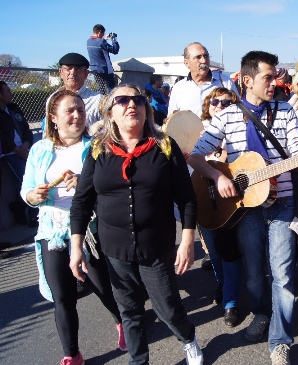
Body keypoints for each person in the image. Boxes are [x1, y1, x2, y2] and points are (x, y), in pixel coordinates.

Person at [188, 51, 298, 365]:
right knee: (253, 275)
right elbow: (196, 157)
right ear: (247, 80)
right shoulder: (226, 115)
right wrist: (215, 176)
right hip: (245, 208)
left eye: (276, 76)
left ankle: (280, 341)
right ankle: (262, 312)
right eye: (268, 77)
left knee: (283, 276)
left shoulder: (285, 111)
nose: (274, 82)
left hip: (283, 203)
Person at [69, 84, 203, 365]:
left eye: (138, 100)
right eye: (123, 100)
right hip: (115, 250)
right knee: (129, 310)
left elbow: (187, 199)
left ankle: (188, 339)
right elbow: (82, 201)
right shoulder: (98, 149)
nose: (132, 104)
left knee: (167, 308)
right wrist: (76, 246)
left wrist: (188, 241)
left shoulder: (164, 146)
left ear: (146, 109)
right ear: (110, 113)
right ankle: (138, 360)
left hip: (156, 247)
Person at [21, 90, 125, 365]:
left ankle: (122, 322)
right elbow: (27, 192)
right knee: (62, 297)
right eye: (70, 111)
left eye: (80, 109)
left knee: (104, 287)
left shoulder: (95, 147)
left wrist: (84, 181)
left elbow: (111, 188)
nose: (77, 115)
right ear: (53, 118)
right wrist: (35, 196)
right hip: (52, 231)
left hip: (89, 228)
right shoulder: (39, 150)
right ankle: (72, 354)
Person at [197, 87, 243, 326]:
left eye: (227, 103)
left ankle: (231, 302)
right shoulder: (196, 132)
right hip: (202, 197)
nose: (220, 106)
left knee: (229, 250)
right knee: (214, 251)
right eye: (216, 102)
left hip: (232, 200)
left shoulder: (237, 131)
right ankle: (224, 285)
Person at [0, 81, 38, 226]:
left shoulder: (14, 109)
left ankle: (18, 207)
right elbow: (2, 138)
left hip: (24, 149)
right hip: (9, 154)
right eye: (7, 91)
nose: (11, 93)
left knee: (36, 177)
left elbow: (26, 130)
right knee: (26, 181)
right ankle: (33, 216)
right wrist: (16, 150)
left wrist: (26, 145)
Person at [168, 42, 238, 117]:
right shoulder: (179, 88)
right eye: (198, 57)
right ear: (186, 63)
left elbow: (238, 111)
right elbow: (172, 119)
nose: (203, 61)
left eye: (206, 56)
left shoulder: (225, 82)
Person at [57, 53, 103, 128]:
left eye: (78, 69)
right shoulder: (53, 99)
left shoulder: (98, 100)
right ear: (61, 72)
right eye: (68, 68)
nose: (73, 72)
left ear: (86, 74)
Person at [87, 24, 120, 94]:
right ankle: (109, 103)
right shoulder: (101, 42)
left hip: (94, 69)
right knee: (111, 89)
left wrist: (104, 39)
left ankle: (101, 102)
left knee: (101, 88)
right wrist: (114, 40)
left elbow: (98, 44)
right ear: (99, 32)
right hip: (105, 69)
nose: (103, 35)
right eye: (103, 33)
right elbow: (115, 50)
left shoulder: (88, 41)